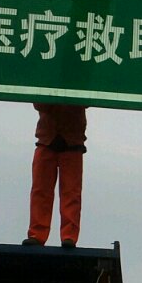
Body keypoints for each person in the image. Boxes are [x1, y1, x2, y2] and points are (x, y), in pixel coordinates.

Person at [24, 102, 87, 248]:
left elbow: (87, 99)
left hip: (68, 141)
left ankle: (68, 236)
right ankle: (38, 235)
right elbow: (38, 103)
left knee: (70, 193)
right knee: (41, 191)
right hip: (51, 139)